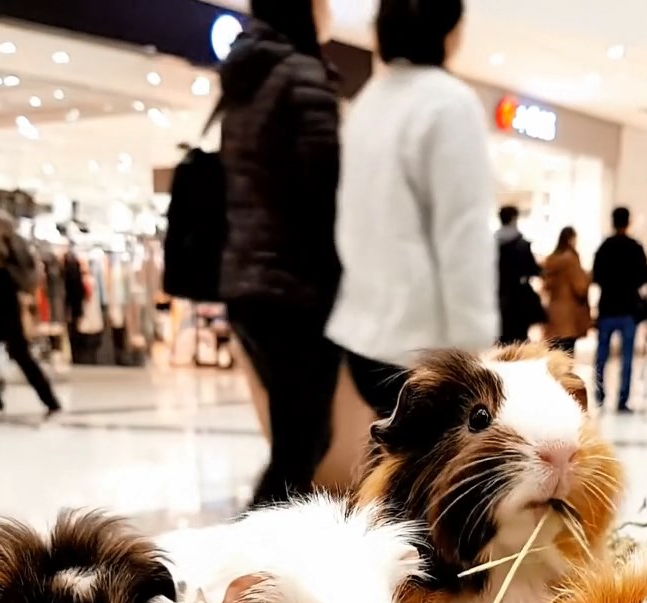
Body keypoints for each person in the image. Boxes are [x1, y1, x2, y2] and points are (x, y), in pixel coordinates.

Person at [327, 0, 496, 418]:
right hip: (422, 344)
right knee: (425, 480)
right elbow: (463, 235)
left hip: (362, 335)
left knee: (389, 466)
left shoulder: (369, 101)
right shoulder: (449, 104)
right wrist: (476, 348)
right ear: (449, 32)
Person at [219, 0, 341, 506]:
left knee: (298, 438)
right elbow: (325, 189)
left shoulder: (247, 74)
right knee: (302, 442)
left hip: (246, 282)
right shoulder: (301, 73)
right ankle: (254, 558)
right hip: (292, 287)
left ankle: (263, 555)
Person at [0, 177, 60, 421]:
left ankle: (49, 398)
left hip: (1, 291)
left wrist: (27, 292)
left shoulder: (2, 226)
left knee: (18, 351)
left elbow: (23, 261)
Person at [592, 206, 647, 414]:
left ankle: (600, 395)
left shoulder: (604, 247)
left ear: (613, 221)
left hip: (607, 307)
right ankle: (622, 399)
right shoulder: (635, 247)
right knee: (627, 357)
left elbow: (596, 277)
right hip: (628, 310)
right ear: (628, 222)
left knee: (602, 355)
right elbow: (644, 277)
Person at [496, 206, 542, 346]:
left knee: (501, 338)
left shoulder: (491, 244)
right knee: (519, 340)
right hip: (519, 299)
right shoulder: (522, 245)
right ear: (514, 219)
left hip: (498, 297)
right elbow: (533, 270)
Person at [542, 227, 591, 357]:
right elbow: (580, 288)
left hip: (553, 313)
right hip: (569, 315)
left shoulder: (551, 260)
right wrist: (587, 277)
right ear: (571, 239)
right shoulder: (571, 260)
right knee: (568, 356)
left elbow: (546, 286)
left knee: (554, 357)